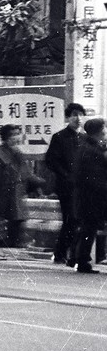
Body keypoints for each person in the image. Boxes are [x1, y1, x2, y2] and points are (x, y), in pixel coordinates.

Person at [0, 124, 43, 258]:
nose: (16, 138)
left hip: (16, 195)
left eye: (17, 134)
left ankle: (9, 249)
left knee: (16, 222)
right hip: (3, 195)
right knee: (3, 222)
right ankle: (0, 250)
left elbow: (26, 174)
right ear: (6, 138)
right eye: (13, 135)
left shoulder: (18, 154)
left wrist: (39, 183)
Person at [44, 102, 85, 266]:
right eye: (74, 114)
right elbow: (51, 161)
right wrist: (66, 175)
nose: (78, 118)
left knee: (76, 220)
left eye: (81, 115)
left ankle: (63, 253)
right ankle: (62, 253)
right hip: (66, 187)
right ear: (68, 117)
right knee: (71, 219)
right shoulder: (59, 137)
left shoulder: (84, 138)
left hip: (81, 188)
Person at [71, 117, 107, 274]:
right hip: (92, 197)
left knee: (88, 228)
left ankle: (79, 259)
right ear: (99, 131)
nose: (105, 131)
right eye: (104, 128)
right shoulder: (91, 151)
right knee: (89, 228)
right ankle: (82, 260)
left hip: (88, 196)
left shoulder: (88, 147)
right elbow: (94, 177)